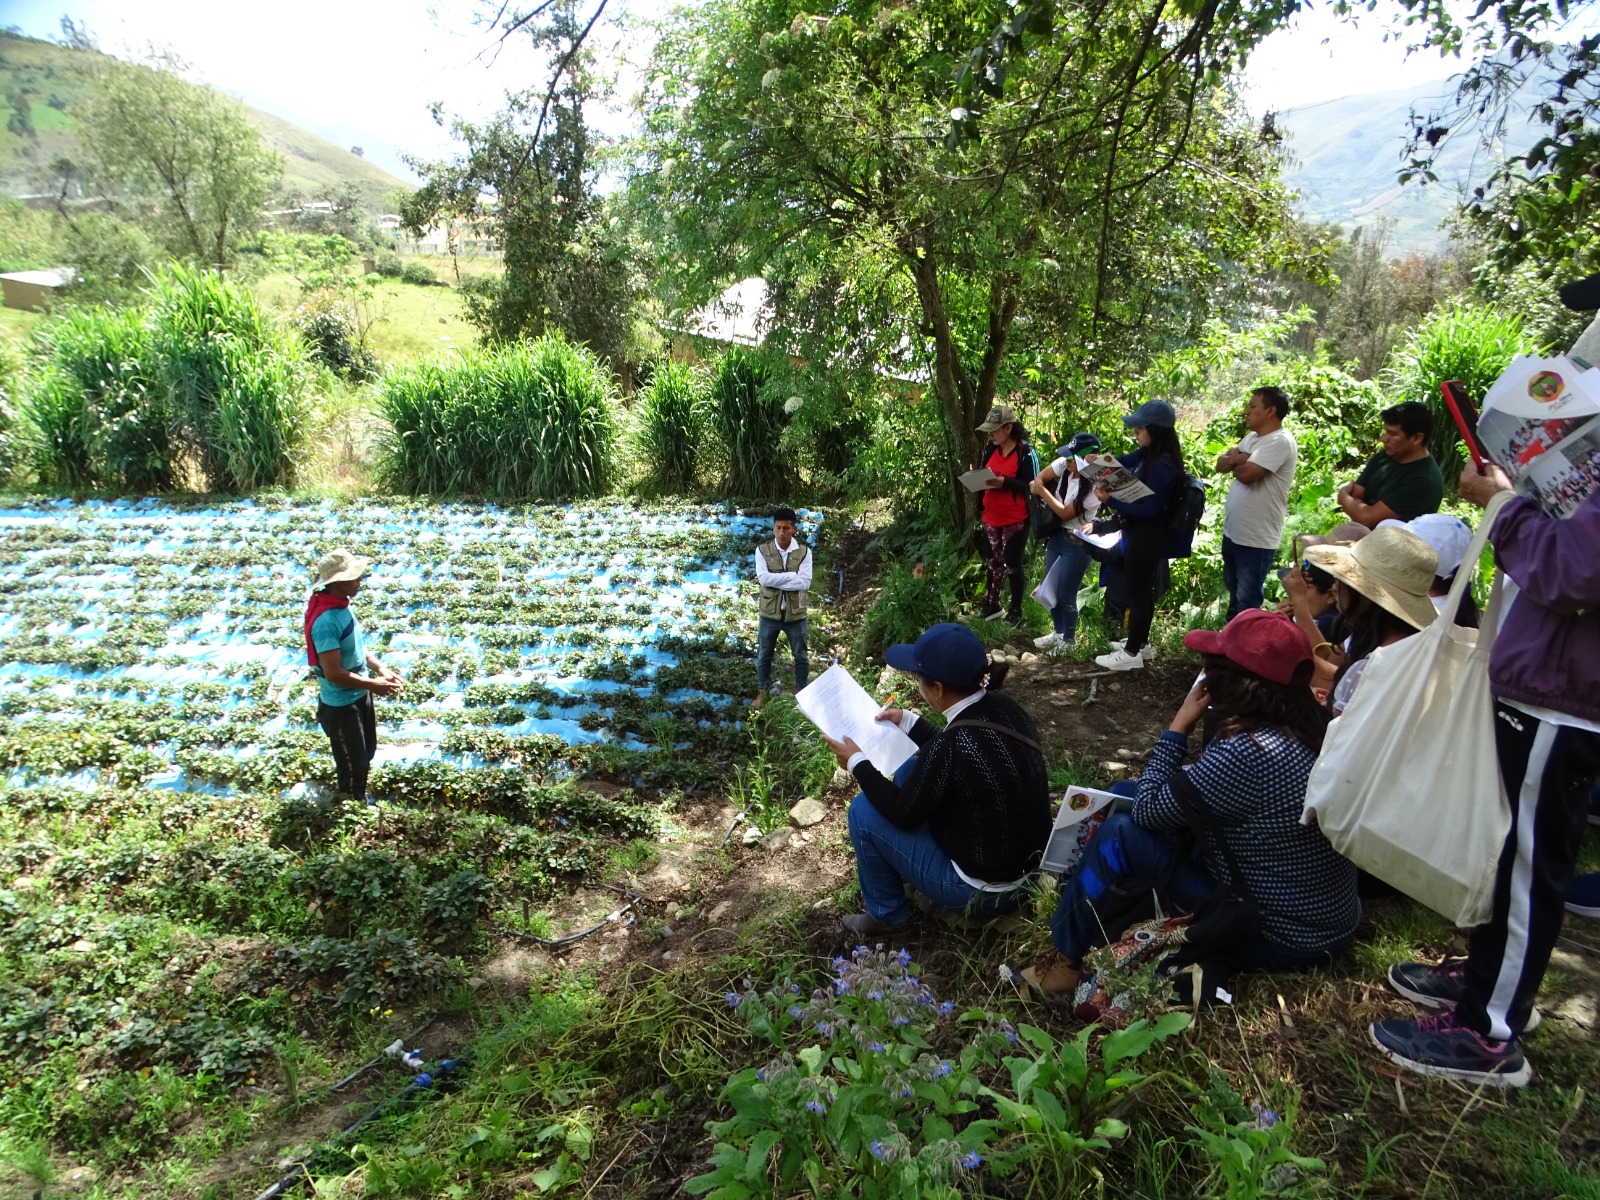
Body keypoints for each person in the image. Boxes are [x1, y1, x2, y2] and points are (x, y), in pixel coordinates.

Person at [1368, 453, 1600, 1088]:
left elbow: (1575, 572)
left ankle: (1490, 1029)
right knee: (1506, 848)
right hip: (1547, 690)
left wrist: (1507, 505)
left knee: (1527, 862)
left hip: (1568, 705)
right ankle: (1484, 977)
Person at [1019, 610, 1359, 1000]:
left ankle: (1065, 961)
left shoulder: (1249, 751)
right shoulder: (1307, 726)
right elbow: (1186, 791)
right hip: (1320, 916)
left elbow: (1149, 811)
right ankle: (1087, 898)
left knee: (1121, 832)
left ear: (1232, 682)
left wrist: (1178, 727)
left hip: (1277, 932)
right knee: (1124, 791)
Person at [821, 623, 1051, 937]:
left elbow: (903, 813)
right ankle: (898, 868)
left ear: (938, 689)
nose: (917, 684)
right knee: (907, 771)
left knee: (862, 812)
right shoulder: (1005, 709)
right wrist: (909, 721)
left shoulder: (951, 747)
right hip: (1027, 874)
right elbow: (957, 750)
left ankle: (887, 915)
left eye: (919, 678)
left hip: (981, 892)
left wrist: (857, 762)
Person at [1305, 525, 1438, 716]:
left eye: (1342, 581)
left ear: (1364, 596)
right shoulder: (1415, 648)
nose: (1335, 587)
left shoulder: (1369, 670)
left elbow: (1337, 736)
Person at [1093, 399, 1187, 671]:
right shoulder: (1150, 455)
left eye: (1140, 429)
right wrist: (1097, 463)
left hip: (1147, 536)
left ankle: (1131, 653)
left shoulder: (1162, 466)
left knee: (1137, 593)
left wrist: (1110, 501)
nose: (1136, 433)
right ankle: (1140, 644)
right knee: (1141, 592)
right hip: (1141, 534)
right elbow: (1123, 462)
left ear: (1155, 431)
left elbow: (1149, 509)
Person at [304, 549, 404, 805]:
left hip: (359, 695)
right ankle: (351, 805)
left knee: (366, 752)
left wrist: (380, 669)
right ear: (337, 582)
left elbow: (356, 648)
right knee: (352, 762)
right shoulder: (326, 621)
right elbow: (333, 672)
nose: (360, 581)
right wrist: (374, 685)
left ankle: (357, 796)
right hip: (341, 705)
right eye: (355, 577)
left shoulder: (341, 608)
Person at [1215, 385, 1298, 620]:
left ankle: (1244, 651)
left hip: (1256, 538)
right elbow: (1221, 465)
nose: (1246, 411)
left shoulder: (1280, 441)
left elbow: (1247, 475)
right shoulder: (1252, 438)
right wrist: (1239, 459)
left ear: (1270, 411)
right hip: (1234, 532)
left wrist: (1238, 461)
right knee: (1234, 591)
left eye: (1253, 407)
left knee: (1247, 599)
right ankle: (1230, 643)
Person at [1028, 432, 1103, 651]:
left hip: (1078, 543)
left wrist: (1042, 492)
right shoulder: (1065, 465)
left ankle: (1069, 640)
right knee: (1049, 588)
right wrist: (1040, 484)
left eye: (1073, 458)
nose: (1067, 461)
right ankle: (1058, 632)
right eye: (1068, 457)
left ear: (1085, 460)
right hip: (1057, 536)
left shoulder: (1095, 489)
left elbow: (1064, 513)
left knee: (1066, 592)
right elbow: (1040, 477)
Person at [975, 403, 1041, 625]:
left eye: (994, 429)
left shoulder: (1025, 452)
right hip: (990, 516)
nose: (991, 434)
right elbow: (984, 473)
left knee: (1013, 563)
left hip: (1015, 518)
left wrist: (1005, 482)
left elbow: (1033, 485)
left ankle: (1015, 610)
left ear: (1008, 428)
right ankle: (992, 604)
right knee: (993, 561)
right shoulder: (990, 448)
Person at [1336, 401, 1446, 527]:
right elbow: (1356, 495)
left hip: (1388, 544)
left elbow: (1366, 518)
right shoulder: (1386, 456)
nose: (1383, 439)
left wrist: (1343, 496)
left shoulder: (1423, 481)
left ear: (1417, 438)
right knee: (1310, 543)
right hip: (1358, 532)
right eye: (1385, 432)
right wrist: (1359, 509)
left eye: (1392, 434)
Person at [753, 507, 812, 710]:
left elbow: (804, 583)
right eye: (778, 527)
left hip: (796, 614)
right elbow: (763, 579)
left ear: (794, 529)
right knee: (764, 655)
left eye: (786, 528)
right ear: (773, 528)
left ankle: (802, 696)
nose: (782, 532)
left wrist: (777, 580)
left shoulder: (805, 552)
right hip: (769, 613)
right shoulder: (762, 551)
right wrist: (791, 577)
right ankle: (762, 692)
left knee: (801, 656)